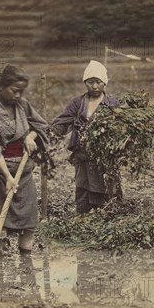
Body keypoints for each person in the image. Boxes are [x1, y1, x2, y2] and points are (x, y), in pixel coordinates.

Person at [0, 64, 49, 254]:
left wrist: (30, 137)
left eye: (21, 92)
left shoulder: (23, 105)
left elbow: (40, 125)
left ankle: (26, 259)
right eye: (14, 91)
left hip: (23, 171)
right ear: (1, 87)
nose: (18, 96)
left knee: (28, 220)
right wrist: (7, 177)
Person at [51, 60, 121, 214]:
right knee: (83, 186)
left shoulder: (113, 104)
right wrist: (53, 132)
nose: (94, 86)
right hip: (82, 154)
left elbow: (122, 128)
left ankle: (107, 216)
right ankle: (82, 217)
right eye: (90, 82)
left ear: (105, 83)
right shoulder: (78, 103)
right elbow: (63, 121)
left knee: (106, 185)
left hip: (104, 156)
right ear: (85, 82)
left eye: (98, 82)